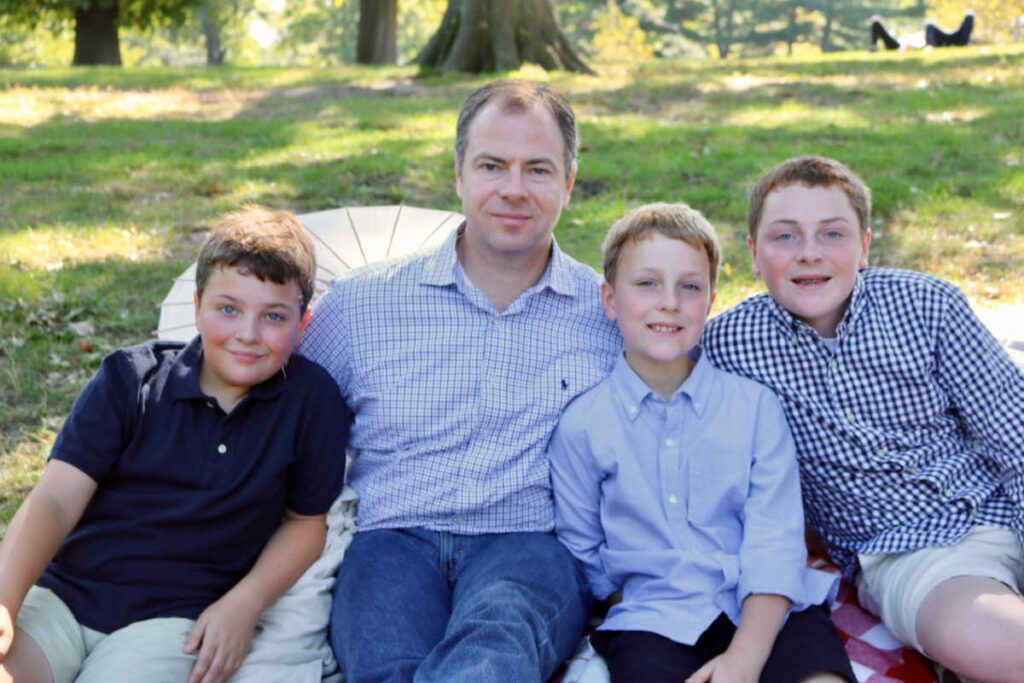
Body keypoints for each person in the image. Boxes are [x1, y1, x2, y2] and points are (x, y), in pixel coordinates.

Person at [298, 79, 622, 682]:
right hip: (391, 538)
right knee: (385, 666)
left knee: (495, 651)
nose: (514, 189)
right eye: (492, 165)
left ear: (570, 183)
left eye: (539, 170)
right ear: (458, 174)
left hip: (527, 541)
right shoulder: (364, 305)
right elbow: (281, 421)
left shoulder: (607, 317)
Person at [702, 155, 1024, 681]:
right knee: (994, 639)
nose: (809, 254)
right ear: (754, 256)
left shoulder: (927, 305)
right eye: (785, 237)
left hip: (1004, 502)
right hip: (913, 552)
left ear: (865, 246)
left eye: (832, 234)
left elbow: (1015, 430)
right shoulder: (727, 347)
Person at [0, 206, 349, 683]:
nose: (248, 334)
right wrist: (3, 601)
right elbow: (56, 500)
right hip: (66, 596)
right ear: (198, 304)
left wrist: (244, 604)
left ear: (302, 323)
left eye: (274, 316)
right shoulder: (129, 379)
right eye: (229, 309)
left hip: (172, 624)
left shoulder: (313, 401)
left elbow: (307, 522)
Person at [548, 203, 854, 683]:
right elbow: (582, 544)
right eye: (647, 283)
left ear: (710, 302)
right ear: (609, 299)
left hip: (766, 608)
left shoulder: (754, 409)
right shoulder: (583, 425)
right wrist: (624, 598)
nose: (669, 302)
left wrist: (745, 659)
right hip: (653, 620)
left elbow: (775, 540)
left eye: (689, 287)